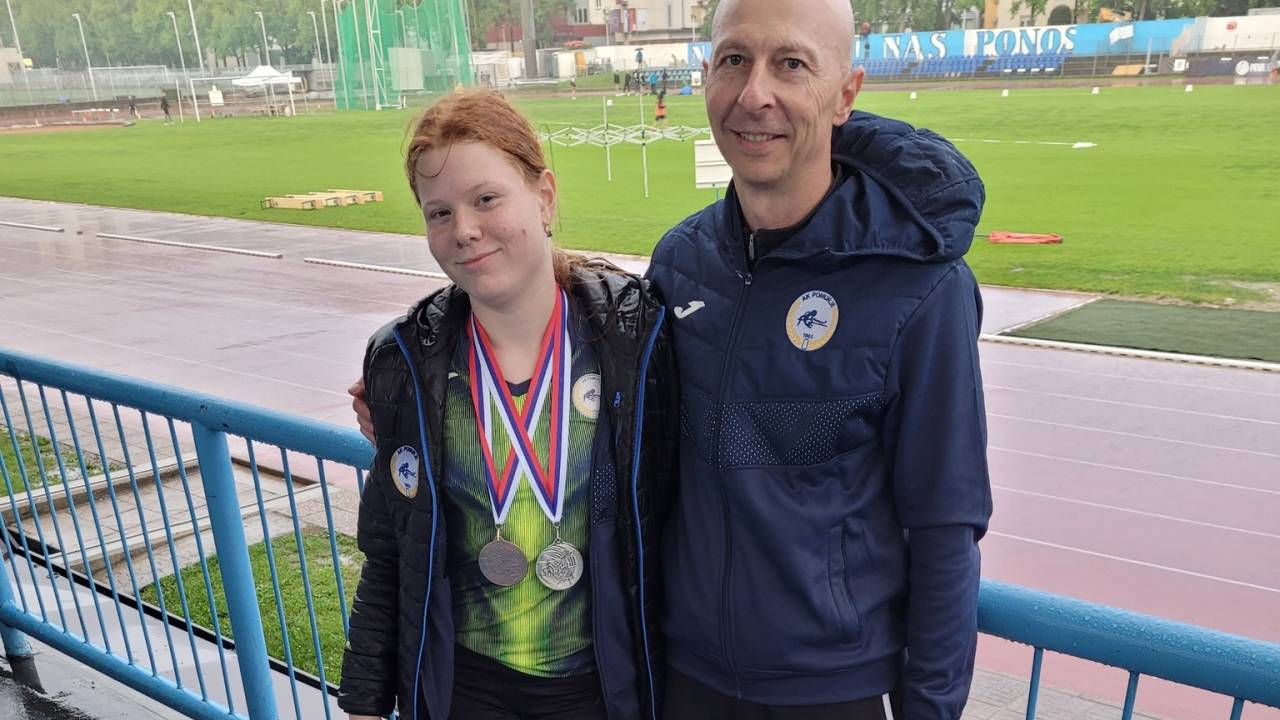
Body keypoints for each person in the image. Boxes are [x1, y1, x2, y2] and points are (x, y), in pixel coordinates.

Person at [648, 0, 991, 718]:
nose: (754, 94)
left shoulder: (922, 288)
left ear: (845, 95)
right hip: (683, 678)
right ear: (706, 76)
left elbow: (944, 527)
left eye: (791, 64)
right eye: (734, 60)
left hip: (831, 693)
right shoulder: (679, 262)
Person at [338, 89, 679, 720]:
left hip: (605, 693)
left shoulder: (640, 340)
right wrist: (362, 705)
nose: (463, 230)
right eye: (439, 212)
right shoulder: (403, 362)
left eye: (486, 199)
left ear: (544, 196)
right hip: (463, 693)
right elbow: (389, 555)